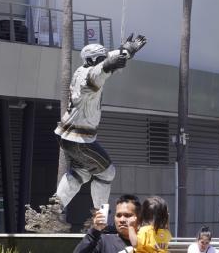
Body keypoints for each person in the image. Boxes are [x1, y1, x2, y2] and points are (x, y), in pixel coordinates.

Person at [51, 35, 148, 213]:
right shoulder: (91, 76)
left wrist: (127, 51)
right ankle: (100, 217)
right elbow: (104, 67)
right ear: (94, 60)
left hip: (68, 136)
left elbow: (107, 59)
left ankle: (53, 210)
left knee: (82, 172)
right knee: (107, 172)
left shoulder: (82, 69)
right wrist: (116, 60)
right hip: (80, 140)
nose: (104, 59)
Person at [74, 194, 141, 253]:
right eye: (118, 215)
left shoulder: (147, 241)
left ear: (139, 217)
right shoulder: (103, 242)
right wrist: (94, 232)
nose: (122, 220)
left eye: (127, 215)